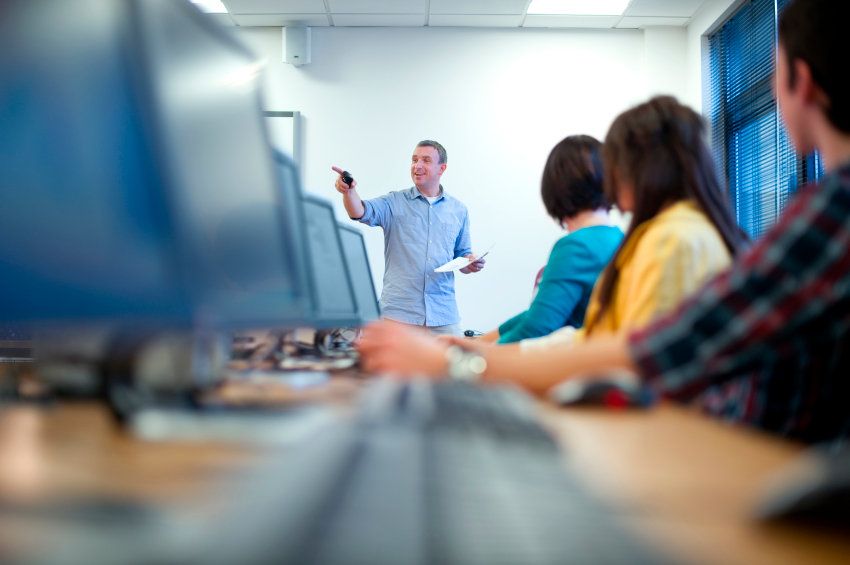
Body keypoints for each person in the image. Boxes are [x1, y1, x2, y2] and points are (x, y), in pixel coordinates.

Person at [359, 0, 850, 445]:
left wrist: (457, 362)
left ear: (800, 81)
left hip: (705, 449)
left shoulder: (706, 233)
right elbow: (589, 337)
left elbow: (649, 354)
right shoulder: (667, 233)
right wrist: (474, 353)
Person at [478, 135, 623, 345]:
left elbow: (537, 329)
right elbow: (539, 312)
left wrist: (471, 357)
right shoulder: (619, 238)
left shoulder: (577, 246)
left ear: (555, 186)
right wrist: (481, 341)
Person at [332, 140, 484, 336]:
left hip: (443, 315)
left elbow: (463, 255)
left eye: (426, 160)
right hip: (398, 316)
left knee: (454, 364)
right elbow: (360, 211)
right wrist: (349, 191)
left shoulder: (458, 210)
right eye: (414, 160)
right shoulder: (394, 202)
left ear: (442, 168)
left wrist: (470, 263)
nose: (417, 166)